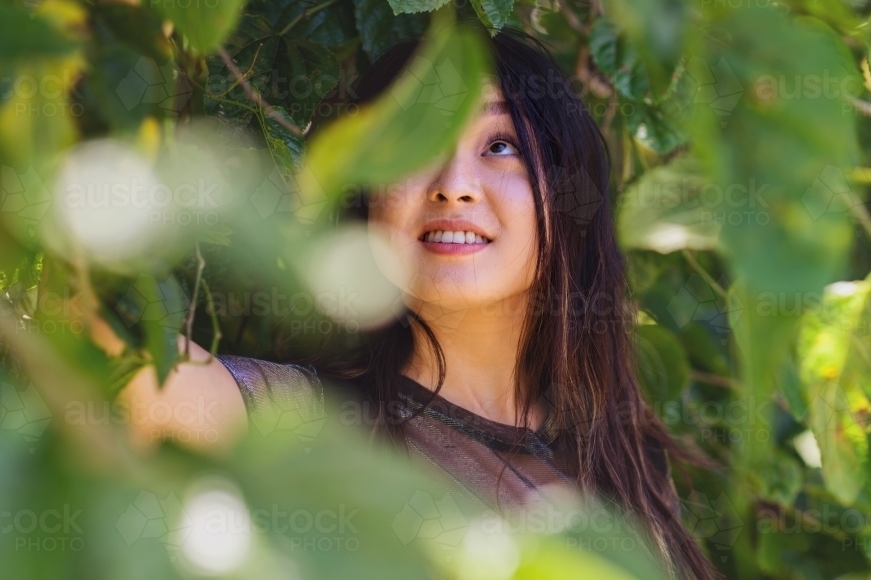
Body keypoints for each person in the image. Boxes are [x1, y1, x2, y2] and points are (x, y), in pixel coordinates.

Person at [119, 29, 717, 579]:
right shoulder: (316, 427)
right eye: (415, 141)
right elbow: (128, 375)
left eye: (501, 144)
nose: (452, 182)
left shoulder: (624, 464)